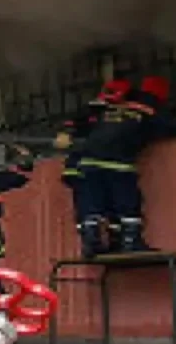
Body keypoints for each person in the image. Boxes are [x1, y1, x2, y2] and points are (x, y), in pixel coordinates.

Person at [78, 75, 176, 257]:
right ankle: (130, 242)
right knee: (127, 203)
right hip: (117, 162)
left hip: (88, 163)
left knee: (96, 206)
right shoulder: (149, 109)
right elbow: (174, 127)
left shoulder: (116, 107)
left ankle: (94, 243)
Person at [54, 79, 132, 255]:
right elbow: (69, 127)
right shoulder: (97, 113)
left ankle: (101, 242)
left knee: (96, 208)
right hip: (85, 169)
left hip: (88, 169)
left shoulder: (98, 113)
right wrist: (66, 133)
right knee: (93, 207)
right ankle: (96, 243)